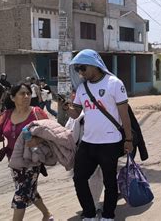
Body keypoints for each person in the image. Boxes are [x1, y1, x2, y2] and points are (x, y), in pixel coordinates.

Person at [63, 49, 133, 221]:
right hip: (88, 142)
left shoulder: (114, 83)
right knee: (79, 178)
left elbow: (125, 115)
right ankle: (89, 214)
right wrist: (66, 107)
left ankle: (108, 215)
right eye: (78, 69)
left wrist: (129, 139)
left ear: (94, 65)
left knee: (110, 182)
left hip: (110, 142)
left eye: (83, 68)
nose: (80, 72)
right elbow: (76, 113)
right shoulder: (82, 88)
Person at [0, 83, 53, 221]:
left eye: (28, 93)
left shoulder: (37, 112)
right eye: (22, 94)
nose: (26, 96)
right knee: (29, 190)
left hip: (32, 160)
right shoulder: (7, 115)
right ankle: (47, 215)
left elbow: (52, 133)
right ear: (12, 97)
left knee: (20, 194)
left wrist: (37, 141)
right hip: (14, 160)